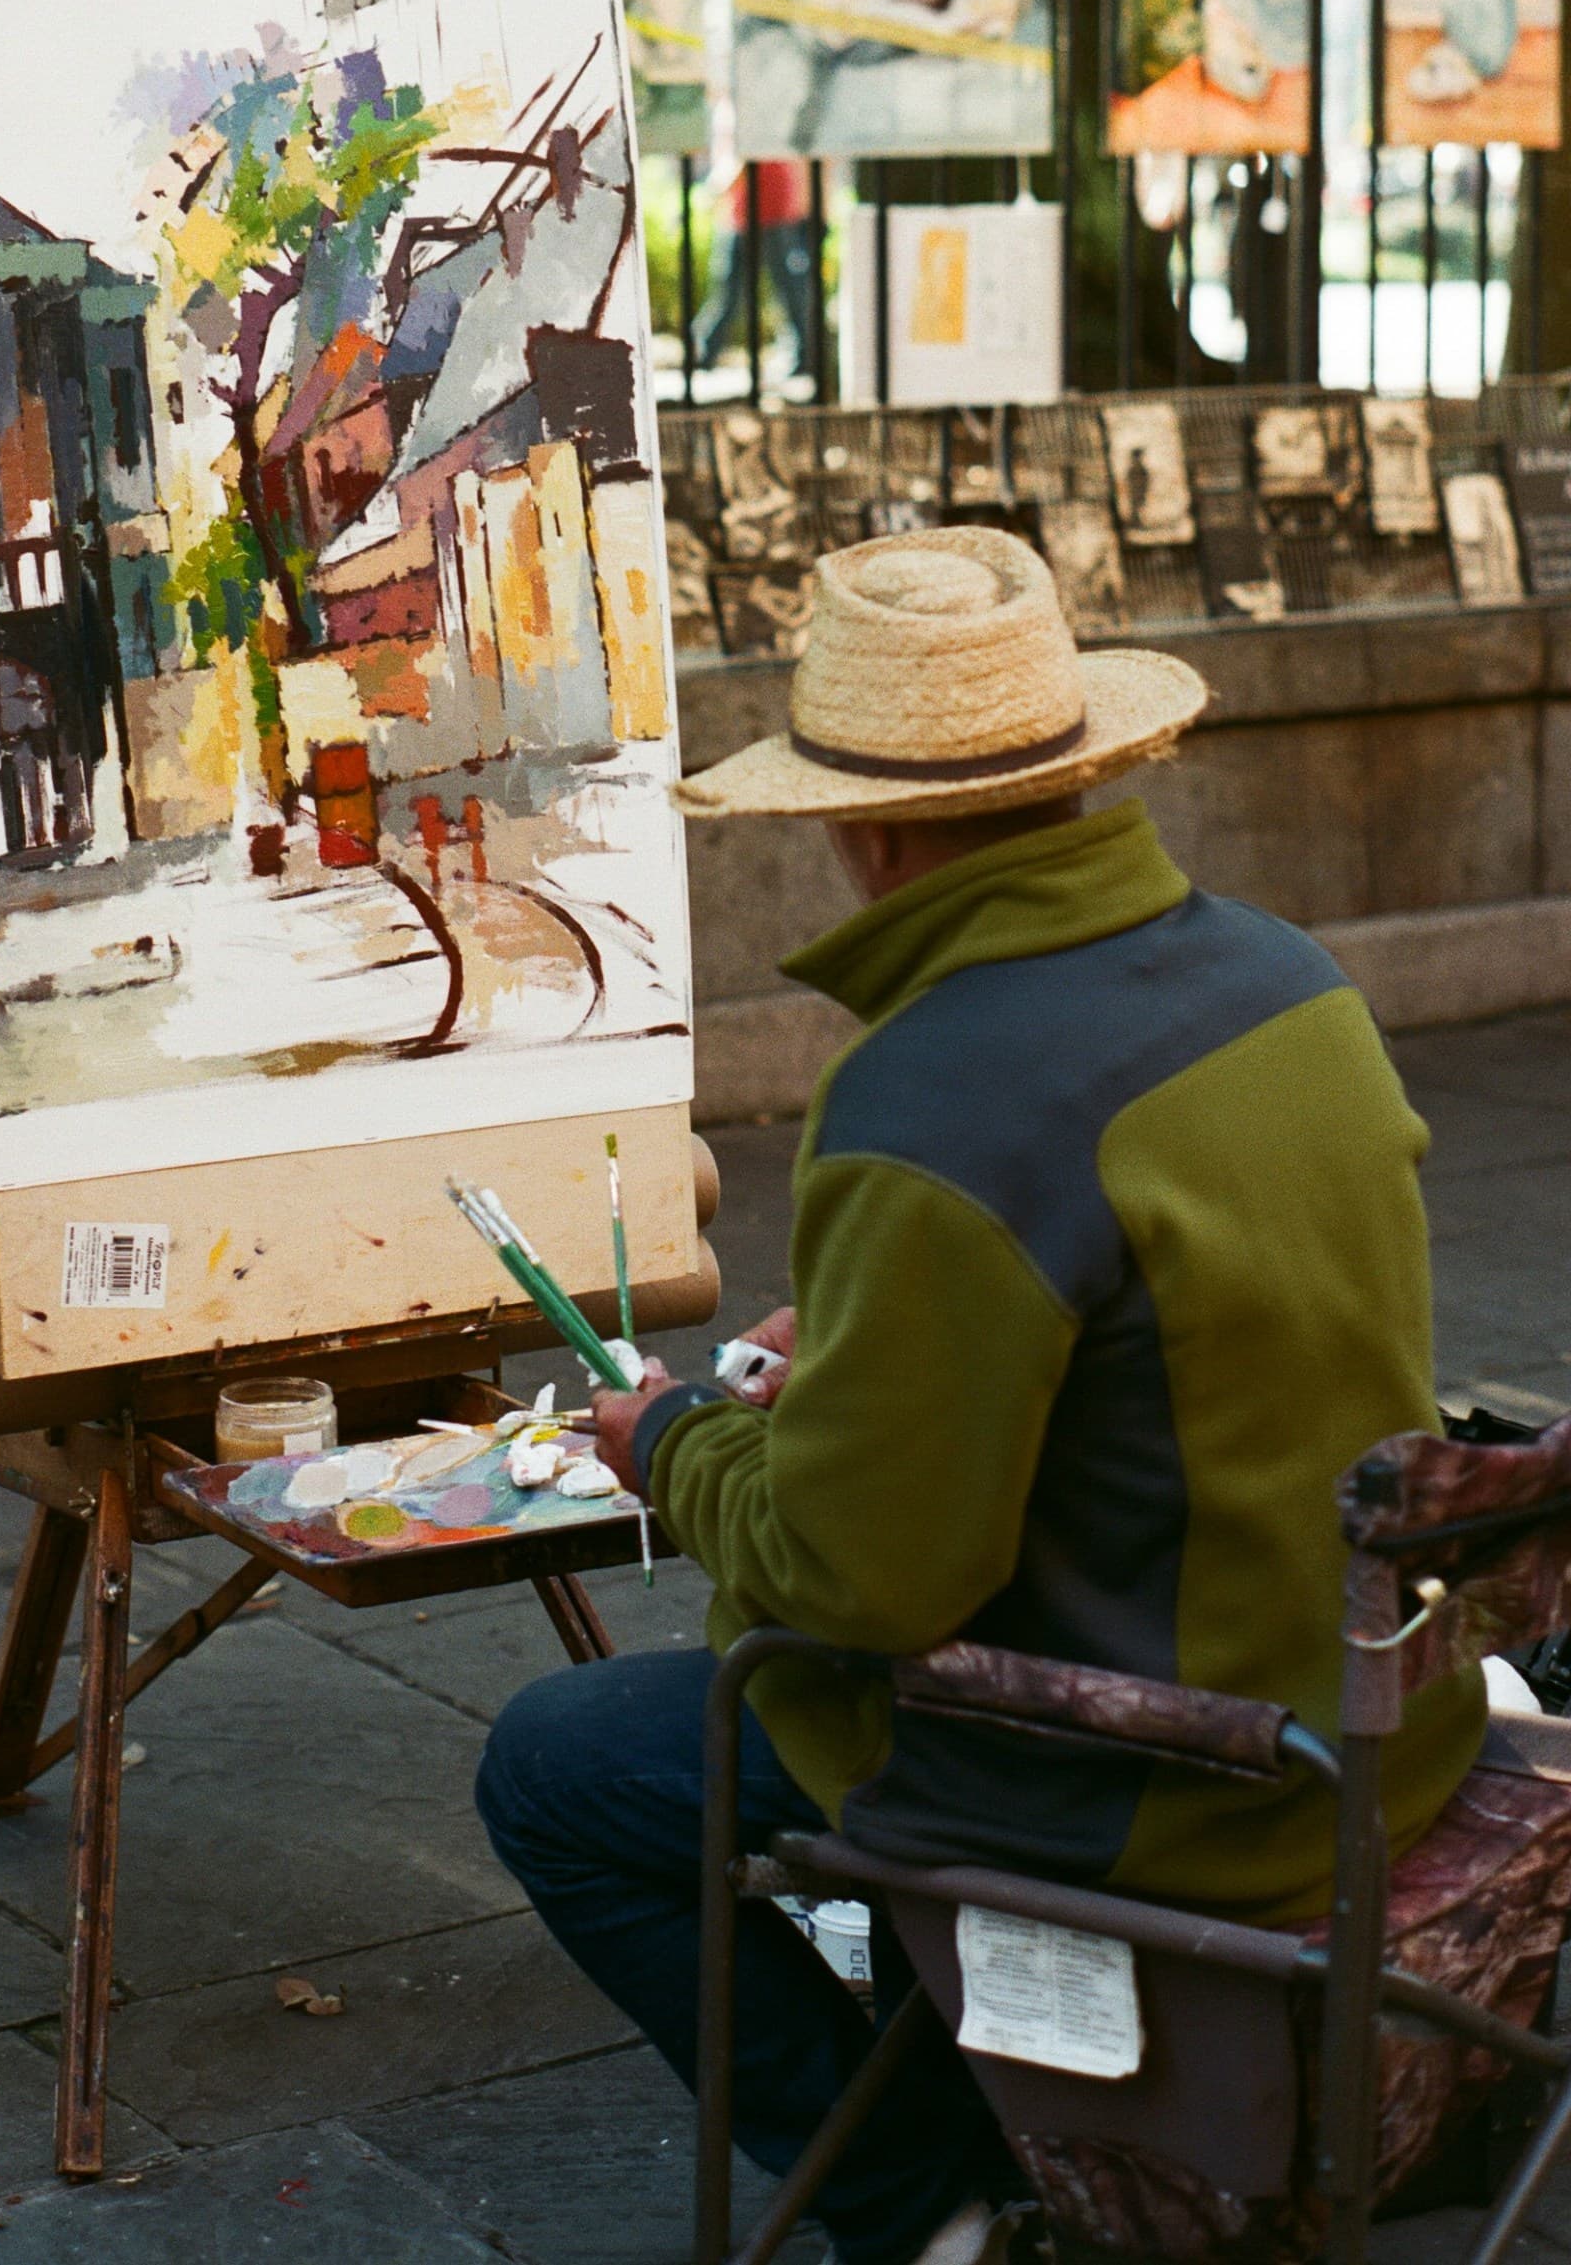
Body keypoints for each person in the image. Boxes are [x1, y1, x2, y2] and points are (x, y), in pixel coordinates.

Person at [475, 526, 1484, 2265]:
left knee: (559, 1765)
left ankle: (929, 2200)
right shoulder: (1290, 981)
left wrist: (680, 1439)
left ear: (854, 826)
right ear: (1082, 766)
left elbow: (864, 1580)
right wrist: (866, 1343)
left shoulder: (933, 1090)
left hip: (1160, 1775)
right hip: (1380, 1720)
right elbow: (1159, 1344)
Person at [693, 156, 822, 378]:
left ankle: (802, 356)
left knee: (773, 289)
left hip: (768, 212)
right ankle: (704, 352)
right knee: (775, 289)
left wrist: (714, 192)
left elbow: (742, 159)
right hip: (748, 214)